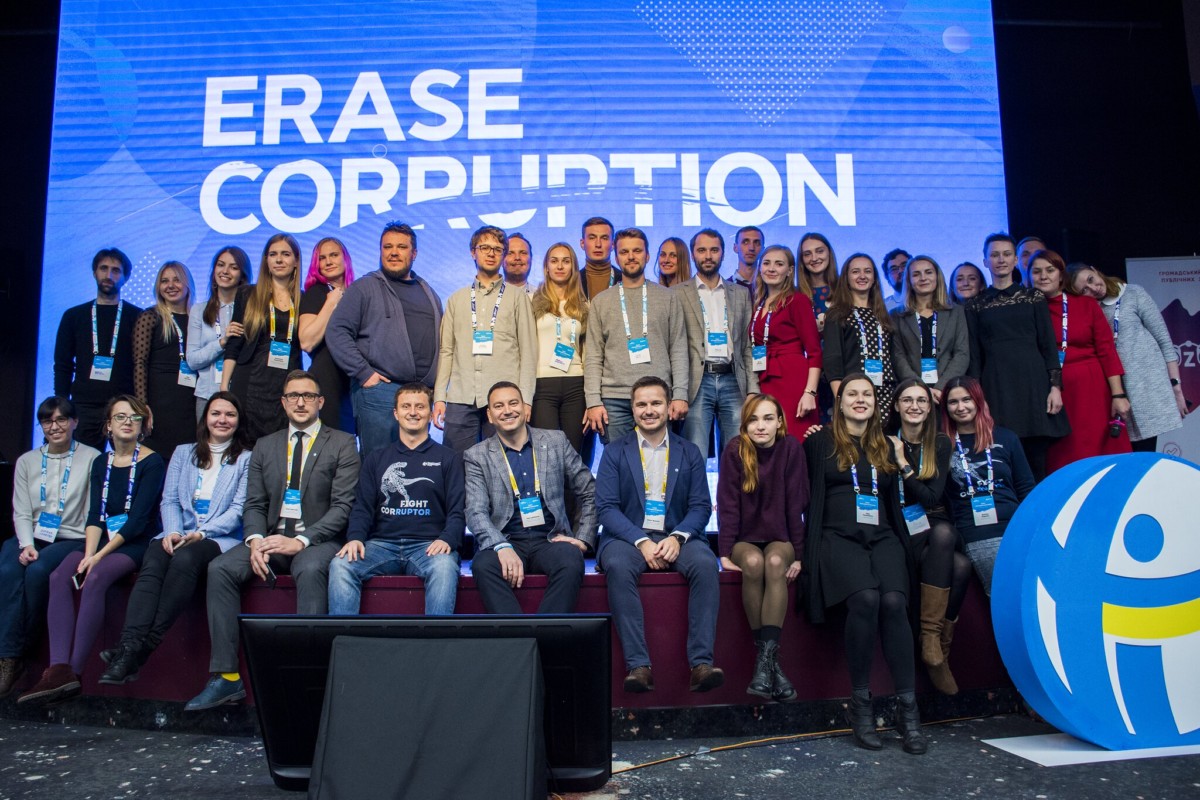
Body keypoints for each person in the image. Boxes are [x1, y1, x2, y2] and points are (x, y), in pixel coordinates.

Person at [186, 370, 359, 711]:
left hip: (318, 540)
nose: (300, 402)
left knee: (310, 569)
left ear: (321, 402)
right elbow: (254, 504)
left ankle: (309, 677)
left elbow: (343, 507)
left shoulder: (342, 443)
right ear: (283, 402)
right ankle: (226, 677)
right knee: (220, 568)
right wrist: (254, 540)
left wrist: (303, 540)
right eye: (293, 395)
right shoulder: (265, 446)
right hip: (270, 537)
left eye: (308, 396)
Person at [800, 374, 925, 754]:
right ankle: (861, 705)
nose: (859, 400)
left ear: (876, 402)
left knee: (894, 602)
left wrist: (902, 459)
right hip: (837, 538)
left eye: (866, 394)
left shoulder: (887, 445)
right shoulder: (819, 441)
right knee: (867, 598)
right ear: (839, 403)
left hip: (883, 537)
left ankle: (908, 711)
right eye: (851, 394)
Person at [18, 396, 166, 705]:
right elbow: (96, 515)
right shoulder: (101, 462)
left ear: (142, 425)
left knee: (95, 576)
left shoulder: (152, 462)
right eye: (120, 417)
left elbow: (138, 521)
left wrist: (96, 558)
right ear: (108, 425)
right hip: (101, 540)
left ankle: (74, 672)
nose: (127, 422)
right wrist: (88, 553)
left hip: (135, 543)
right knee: (59, 575)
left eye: (134, 417)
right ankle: (57, 669)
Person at [98, 392, 252, 685]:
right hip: (178, 530)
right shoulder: (183, 453)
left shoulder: (246, 459)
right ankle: (130, 645)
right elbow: (169, 500)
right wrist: (172, 531)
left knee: (185, 558)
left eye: (230, 414)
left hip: (219, 537)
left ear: (238, 420)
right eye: (216, 413)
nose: (222, 420)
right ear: (205, 418)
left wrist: (202, 532)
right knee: (154, 556)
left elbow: (238, 510)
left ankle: (143, 647)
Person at [596, 376, 723, 694]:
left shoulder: (690, 451)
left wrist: (678, 537)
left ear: (669, 408)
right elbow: (606, 508)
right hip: (627, 539)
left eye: (656, 403)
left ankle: (701, 665)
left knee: (706, 565)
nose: (649, 410)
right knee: (618, 566)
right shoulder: (614, 451)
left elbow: (701, 506)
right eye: (641, 404)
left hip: (677, 536)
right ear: (632, 409)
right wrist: (641, 541)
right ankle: (638, 667)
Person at [329, 383, 464, 616]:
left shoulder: (448, 458)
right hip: (382, 545)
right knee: (341, 564)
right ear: (396, 413)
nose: (413, 412)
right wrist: (355, 538)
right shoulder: (376, 459)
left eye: (420, 407)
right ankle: (344, 637)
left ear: (430, 413)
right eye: (406, 406)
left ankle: (436, 639)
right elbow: (362, 507)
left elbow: (458, 510)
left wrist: (447, 538)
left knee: (444, 567)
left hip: (428, 546)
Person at [466, 382, 596, 614]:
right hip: (506, 538)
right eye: (499, 406)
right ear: (490, 415)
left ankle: (544, 631)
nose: (507, 410)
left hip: (550, 539)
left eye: (513, 403)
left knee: (571, 559)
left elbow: (590, 490)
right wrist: (500, 546)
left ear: (524, 407)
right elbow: (475, 511)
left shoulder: (555, 441)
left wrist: (584, 538)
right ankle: (518, 633)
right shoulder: (477, 455)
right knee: (483, 564)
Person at [1, 398, 101, 698]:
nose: (54, 427)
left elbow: (94, 511)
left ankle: (20, 651)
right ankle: (8, 658)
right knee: (8, 570)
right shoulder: (27, 461)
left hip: (71, 537)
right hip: (31, 535)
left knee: (38, 572)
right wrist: (27, 545)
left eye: (61, 420)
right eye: (47, 421)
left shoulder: (93, 458)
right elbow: (21, 511)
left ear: (74, 422)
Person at [716, 393, 807, 702]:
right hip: (745, 539)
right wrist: (724, 552)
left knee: (775, 562)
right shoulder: (735, 450)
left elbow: (795, 507)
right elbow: (728, 505)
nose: (761, 426)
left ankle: (763, 665)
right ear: (745, 424)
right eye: (753, 419)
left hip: (781, 537)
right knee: (754, 563)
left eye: (768, 418)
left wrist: (800, 555)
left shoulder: (791, 448)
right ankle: (770, 666)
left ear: (779, 422)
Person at [326, 221, 443, 455]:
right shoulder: (364, 287)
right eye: (387, 247)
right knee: (379, 463)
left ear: (414, 253)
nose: (394, 252)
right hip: (380, 393)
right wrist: (364, 373)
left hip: (421, 394)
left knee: (416, 463)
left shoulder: (428, 291)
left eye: (401, 247)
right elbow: (337, 330)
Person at [887, 380, 972, 696]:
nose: (914, 406)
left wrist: (903, 465)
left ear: (930, 407)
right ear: (896, 406)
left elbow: (931, 495)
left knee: (949, 541)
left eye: (921, 400)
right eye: (907, 400)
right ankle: (936, 648)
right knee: (958, 565)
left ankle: (933, 642)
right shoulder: (884, 440)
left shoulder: (939, 442)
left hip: (933, 522)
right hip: (902, 526)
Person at [965, 233, 1068, 481]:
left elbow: (1047, 345)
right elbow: (975, 355)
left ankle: (1037, 507)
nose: (1001, 260)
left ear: (1015, 260)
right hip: (997, 385)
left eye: (1007, 254)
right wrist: (978, 397)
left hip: (1033, 383)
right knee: (1004, 457)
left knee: (1037, 460)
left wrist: (1055, 387)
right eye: (994, 255)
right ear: (985, 261)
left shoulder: (1033, 298)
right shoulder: (975, 304)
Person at [433, 225, 538, 452]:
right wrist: (440, 396)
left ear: (503, 255)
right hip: (461, 396)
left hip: (504, 400)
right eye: (484, 248)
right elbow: (446, 351)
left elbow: (529, 351)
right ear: (473, 252)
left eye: (497, 249)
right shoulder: (456, 299)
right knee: (457, 464)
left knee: (503, 463)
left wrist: (526, 399)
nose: (491, 253)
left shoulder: (517, 298)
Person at [1027, 250, 1131, 472]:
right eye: (1036, 272)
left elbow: (1107, 351)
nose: (1043, 276)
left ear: (1061, 275)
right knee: (1065, 459)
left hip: (1093, 389)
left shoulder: (1086, 304)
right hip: (1053, 392)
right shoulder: (1027, 311)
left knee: (1104, 457)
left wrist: (1118, 395)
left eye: (1050, 270)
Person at [584, 228, 690, 444]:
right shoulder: (601, 301)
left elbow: (679, 349)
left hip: (658, 396)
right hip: (614, 399)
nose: (631, 257)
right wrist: (593, 401)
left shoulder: (668, 298)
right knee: (619, 461)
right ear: (616, 257)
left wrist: (680, 394)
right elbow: (593, 356)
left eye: (637, 251)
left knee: (659, 460)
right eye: (624, 252)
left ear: (647, 255)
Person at [1068, 261, 1189, 451]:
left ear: (1094, 270)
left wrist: (1176, 389)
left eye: (1090, 279)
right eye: (1085, 290)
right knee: (1118, 452)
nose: (1094, 288)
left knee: (1145, 452)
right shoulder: (1087, 311)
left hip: (1144, 388)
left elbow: (1164, 341)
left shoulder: (1133, 293)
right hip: (1111, 390)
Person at [941, 376, 1035, 596]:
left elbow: (1026, 487)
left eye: (966, 399)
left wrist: (1029, 528)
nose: (961, 407)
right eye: (953, 402)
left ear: (978, 401)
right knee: (1006, 594)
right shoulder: (943, 444)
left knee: (1033, 589)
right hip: (977, 531)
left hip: (1015, 526)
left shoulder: (1006, 437)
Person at [676, 228, 757, 456]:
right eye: (702, 250)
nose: (708, 256)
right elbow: (675, 347)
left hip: (734, 379)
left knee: (738, 453)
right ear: (693, 254)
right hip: (697, 381)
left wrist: (752, 388)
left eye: (714, 250)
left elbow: (747, 346)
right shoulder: (677, 294)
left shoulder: (740, 293)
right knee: (695, 453)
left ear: (723, 252)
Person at [53, 248, 142, 449]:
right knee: (83, 464)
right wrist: (61, 404)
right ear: (94, 272)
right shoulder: (74, 316)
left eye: (116, 270)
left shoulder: (138, 317)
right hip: (84, 406)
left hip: (125, 405)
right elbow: (63, 364)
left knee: (126, 463)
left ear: (126, 277)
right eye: (103, 268)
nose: (109, 275)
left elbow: (143, 365)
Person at [221, 233, 303, 443]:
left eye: (285, 254)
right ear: (266, 260)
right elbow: (235, 343)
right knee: (244, 445)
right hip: (250, 380)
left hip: (286, 382)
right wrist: (223, 388)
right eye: (273, 254)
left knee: (280, 446)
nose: (279, 260)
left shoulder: (303, 298)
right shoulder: (247, 294)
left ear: (296, 261)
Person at [751, 246, 822, 439]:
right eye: (766, 263)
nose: (771, 268)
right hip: (765, 377)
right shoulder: (758, 303)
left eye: (779, 264)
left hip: (793, 379)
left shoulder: (798, 301)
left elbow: (814, 352)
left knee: (795, 437)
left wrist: (810, 393)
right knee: (770, 439)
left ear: (790, 271)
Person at [133, 261, 198, 456]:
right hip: (159, 399)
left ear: (188, 284)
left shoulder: (199, 317)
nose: (170, 286)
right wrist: (142, 405)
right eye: (164, 281)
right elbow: (139, 363)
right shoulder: (150, 316)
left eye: (176, 280)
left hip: (190, 399)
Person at [530, 243, 589, 454]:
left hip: (576, 384)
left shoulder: (584, 305)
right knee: (547, 453)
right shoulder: (531, 301)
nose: (560, 266)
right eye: (554, 261)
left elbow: (588, 351)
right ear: (546, 267)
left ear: (573, 267)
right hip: (542, 385)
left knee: (573, 454)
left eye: (566, 261)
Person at [891, 256, 969, 404]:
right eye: (916, 274)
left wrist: (941, 387)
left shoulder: (956, 312)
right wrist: (920, 388)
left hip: (948, 392)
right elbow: (898, 356)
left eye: (928, 272)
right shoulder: (896, 315)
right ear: (909, 280)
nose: (923, 278)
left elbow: (962, 353)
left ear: (937, 277)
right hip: (912, 392)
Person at [187, 247, 251, 420]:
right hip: (207, 396)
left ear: (242, 275)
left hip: (242, 394)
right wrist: (223, 342)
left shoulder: (252, 312)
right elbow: (192, 360)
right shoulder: (199, 310)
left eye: (233, 267)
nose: (225, 271)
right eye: (221, 265)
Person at [824, 253, 898, 401]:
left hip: (887, 391)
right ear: (846, 278)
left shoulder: (884, 315)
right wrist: (841, 400)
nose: (862, 276)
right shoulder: (837, 314)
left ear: (874, 278)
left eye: (867, 271)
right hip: (854, 394)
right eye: (855, 271)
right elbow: (833, 360)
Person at [299, 237, 356, 431]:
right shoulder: (316, 293)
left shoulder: (357, 294)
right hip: (327, 381)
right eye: (322, 258)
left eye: (334, 255)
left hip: (354, 381)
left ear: (345, 259)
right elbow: (306, 342)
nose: (328, 261)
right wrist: (331, 303)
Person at [797, 232, 838, 333]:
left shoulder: (845, 289)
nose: (814, 258)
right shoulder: (794, 295)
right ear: (802, 259)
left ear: (829, 253)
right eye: (807, 254)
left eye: (820, 251)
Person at [578, 216, 622, 299]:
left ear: (613, 245)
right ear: (582, 244)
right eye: (592, 238)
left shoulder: (625, 280)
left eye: (604, 238)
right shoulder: (572, 281)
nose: (598, 244)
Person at [730, 226, 763, 290]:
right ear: (735, 248)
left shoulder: (771, 287)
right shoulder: (724, 288)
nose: (751, 248)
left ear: (763, 249)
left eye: (756, 243)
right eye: (745, 242)